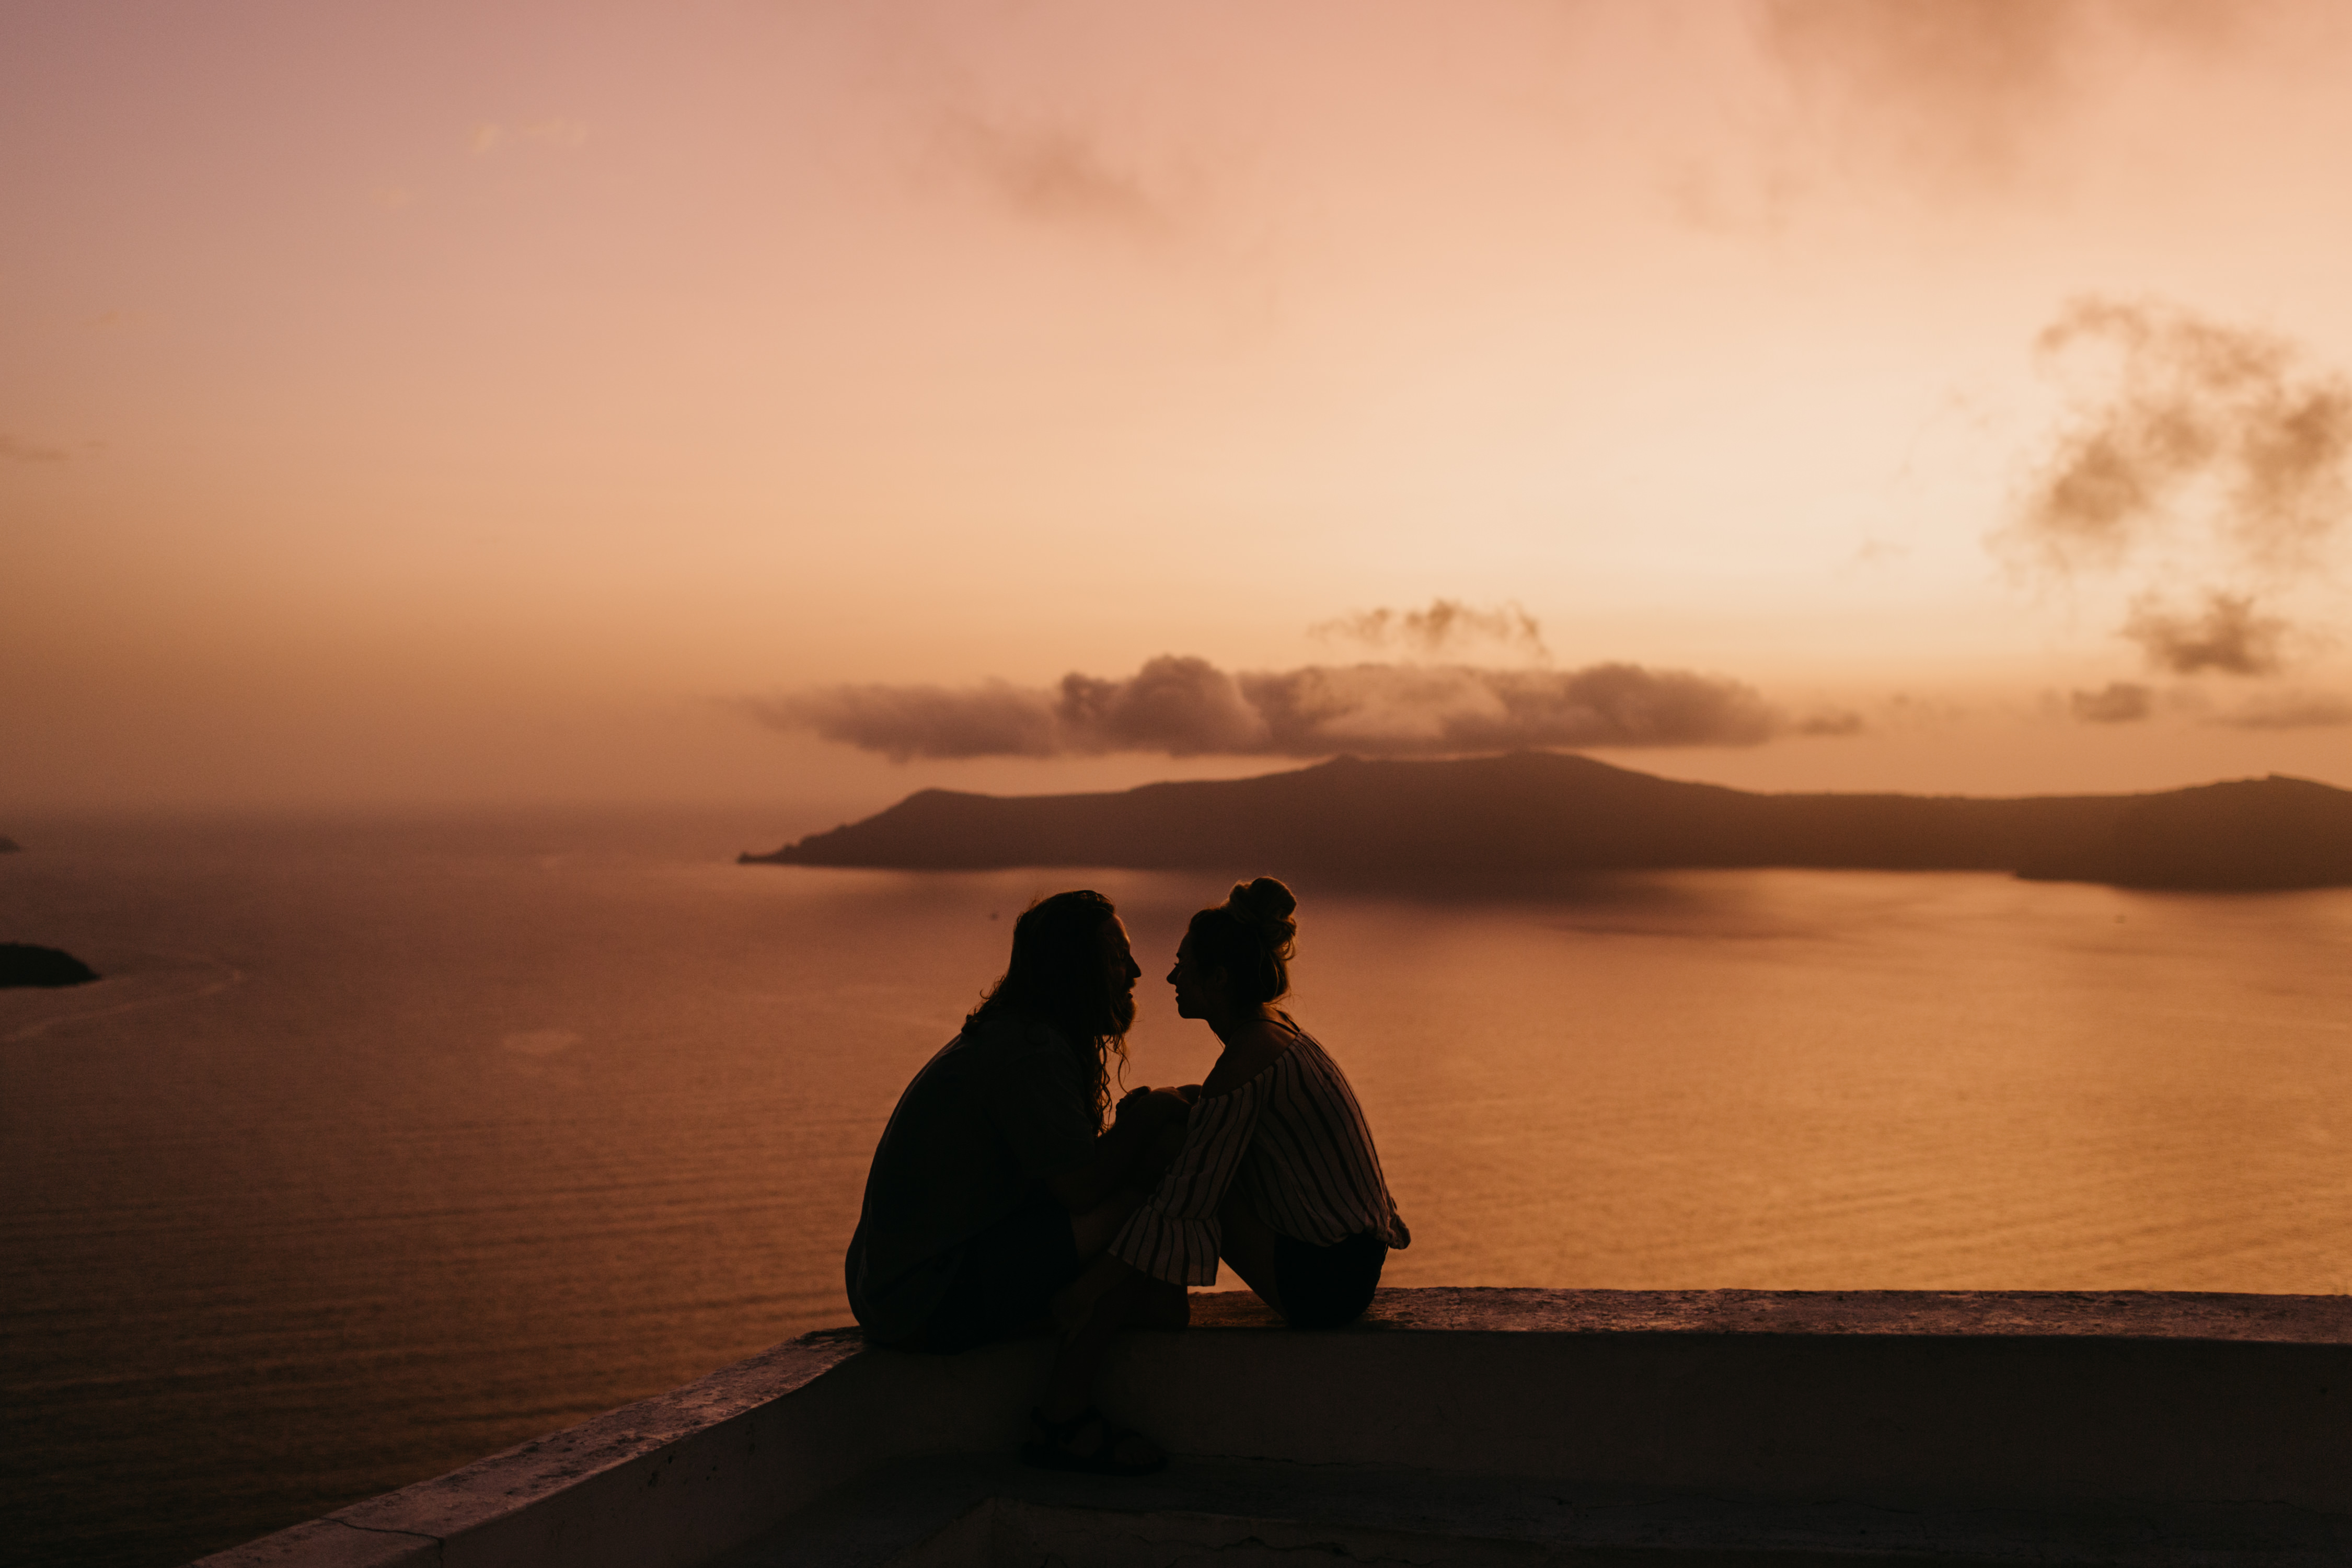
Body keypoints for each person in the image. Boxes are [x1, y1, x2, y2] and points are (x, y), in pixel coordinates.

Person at [843, 889, 1190, 1474]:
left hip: (900, 1289)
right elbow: (1079, 1190)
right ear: (1073, 970)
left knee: (1152, 1290)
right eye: (1114, 956)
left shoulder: (1021, 1037)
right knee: (1143, 1213)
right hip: (924, 1297)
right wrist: (1154, 1112)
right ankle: (1062, 1419)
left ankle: (1075, 1316)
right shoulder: (1031, 1051)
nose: (1133, 971)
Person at [1053, 877, 1409, 1344]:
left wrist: (1086, 1289)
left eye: (1183, 966)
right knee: (1172, 1137)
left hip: (1323, 1288)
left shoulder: (1244, 1060)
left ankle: (1106, 1306)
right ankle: (1142, 1295)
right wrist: (1173, 1100)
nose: (1171, 978)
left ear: (1218, 978)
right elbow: (1230, 1116)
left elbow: (1186, 1198)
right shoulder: (1274, 1029)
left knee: (1168, 1154)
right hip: (1353, 1268)